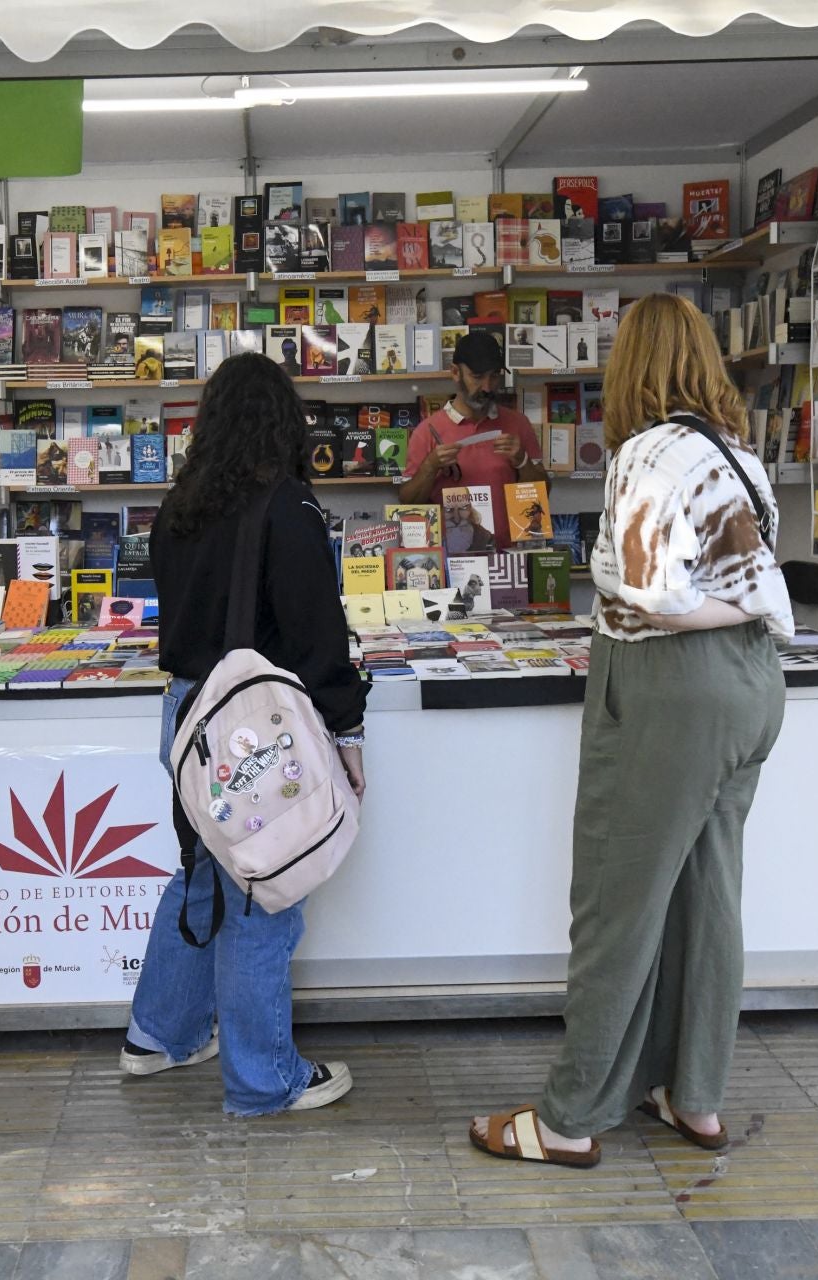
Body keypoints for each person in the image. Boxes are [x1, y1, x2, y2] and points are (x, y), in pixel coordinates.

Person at [470, 293, 793, 1168]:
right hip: (754, 689)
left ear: (631, 367)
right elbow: (755, 582)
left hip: (672, 690)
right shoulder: (739, 455)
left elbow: (651, 592)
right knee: (707, 895)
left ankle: (568, 1118)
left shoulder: (645, 454)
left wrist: (722, 608)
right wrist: (750, 607)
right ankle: (694, 1096)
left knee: (616, 902)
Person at [121, 352, 367, 1117]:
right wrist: (348, 731)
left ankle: (159, 1036)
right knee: (265, 891)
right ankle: (264, 1079)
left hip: (187, 714)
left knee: (201, 873)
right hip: (252, 730)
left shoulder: (180, 506)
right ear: (283, 423)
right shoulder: (285, 509)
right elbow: (317, 637)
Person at [395, 330, 548, 547]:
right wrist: (431, 465)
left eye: (494, 376)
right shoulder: (427, 431)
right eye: (477, 377)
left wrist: (523, 462)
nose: (487, 386)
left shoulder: (518, 424)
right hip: (450, 561)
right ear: (455, 372)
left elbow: (541, 498)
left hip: (509, 559)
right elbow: (407, 503)